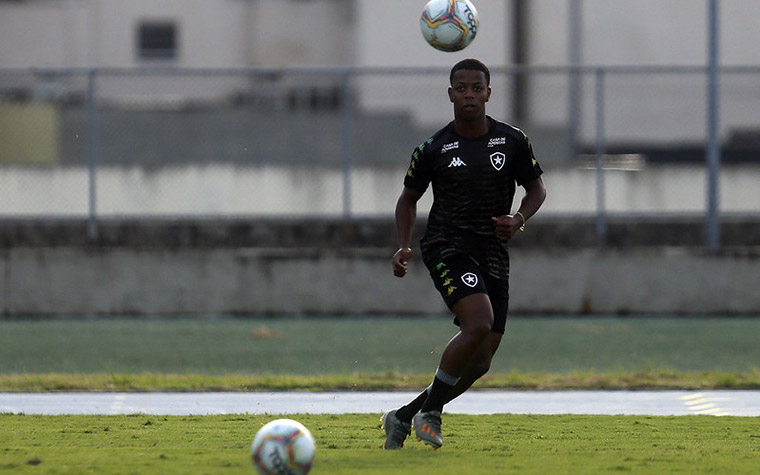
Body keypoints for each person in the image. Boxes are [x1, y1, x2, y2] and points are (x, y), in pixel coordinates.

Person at [381, 58, 546, 450]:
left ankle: (403, 417)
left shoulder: (512, 141)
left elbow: (536, 189)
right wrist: (404, 244)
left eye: (477, 87)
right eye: (462, 88)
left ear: (489, 93)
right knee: (478, 323)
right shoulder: (433, 148)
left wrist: (519, 219)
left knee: (482, 358)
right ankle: (431, 415)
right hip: (447, 246)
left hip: (492, 251)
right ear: (450, 94)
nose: (469, 94)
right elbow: (407, 200)